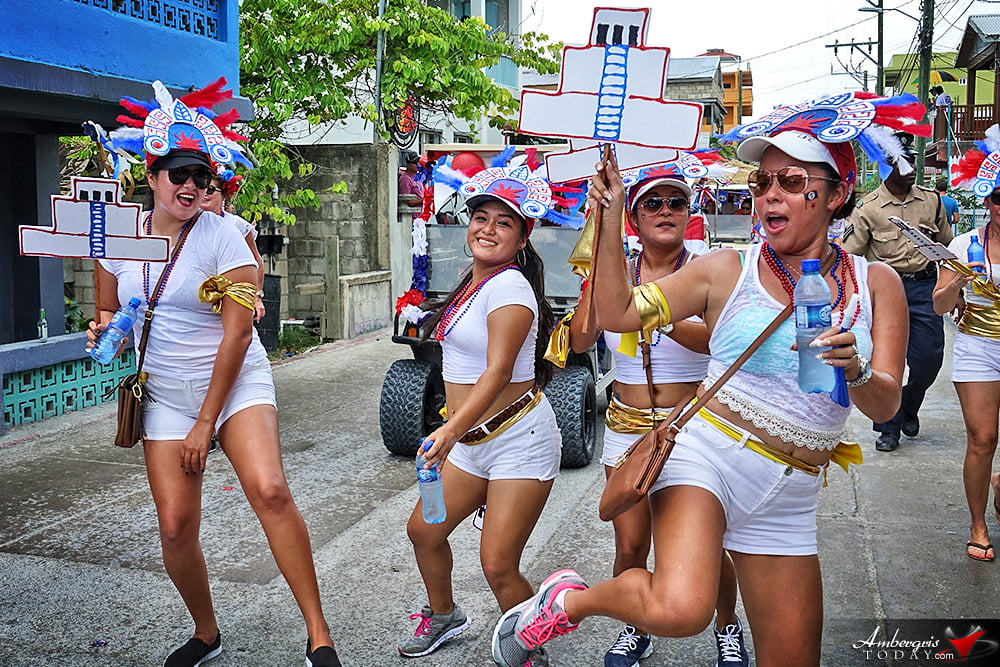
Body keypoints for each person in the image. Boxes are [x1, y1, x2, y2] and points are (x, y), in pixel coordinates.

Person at [491, 93, 911, 667]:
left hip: (790, 491)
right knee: (682, 608)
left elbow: (885, 406)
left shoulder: (877, 284)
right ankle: (570, 601)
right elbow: (617, 315)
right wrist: (612, 217)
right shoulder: (724, 269)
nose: (770, 196)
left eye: (791, 181)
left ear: (836, 194)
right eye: (762, 183)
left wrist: (856, 370)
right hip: (706, 455)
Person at [90, 80, 341, 667]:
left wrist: (207, 425)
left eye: (202, 177)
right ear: (150, 177)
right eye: (178, 174)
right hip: (164, 394)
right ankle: (206, 632)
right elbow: (108, 312)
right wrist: (102, 332)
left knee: (271, 491)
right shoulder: (115, 237)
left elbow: (237, 333)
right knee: (176, 525)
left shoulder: (225, 236)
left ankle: (319, 635)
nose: (191, 186)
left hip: (234, 386)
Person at [564, 161, 748, 667]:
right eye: (652, 203)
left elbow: (718, 341)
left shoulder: (708, 270)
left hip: (690, 426)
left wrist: (648, 311)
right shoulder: (613, 270)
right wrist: (598, 286)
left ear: (689, 213)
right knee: (629, 544)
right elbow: (582, 340)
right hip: (625, 426)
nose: (665, 211)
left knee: (712, 546)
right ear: (634, 216)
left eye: (676, 203)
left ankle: (728, 626)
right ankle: (635, 627)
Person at [398, 161, 561, 666]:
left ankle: (533, 649)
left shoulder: (510, 286)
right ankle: (445, 616)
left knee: (498, 564)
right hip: (472, 441)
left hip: (518, 438)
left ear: (522, 237)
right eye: (480, 217)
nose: (487, 228)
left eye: (504, 222)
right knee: (424, 531)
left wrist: (447, 428)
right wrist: (455, 432)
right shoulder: (473, 280)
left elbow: (498, 371)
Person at [843, 133, 954, 452]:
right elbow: (852, 256)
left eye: (912, 160)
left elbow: (946, 246)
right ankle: (889, 428)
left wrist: (951, 288)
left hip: (924, 287)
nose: (909, 168)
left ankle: (908, 405)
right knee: (886, 362)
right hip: (888, 290)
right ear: (884, 166)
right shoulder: (868, 208)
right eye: (899, 161)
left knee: (928, 361)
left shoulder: (932, 202)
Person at [935, 130, 1000, 562]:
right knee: (983, 437)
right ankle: (978, 523)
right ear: (988, 200)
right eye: (998, 197)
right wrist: (959, 279)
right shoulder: (965, 245)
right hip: (978, 345)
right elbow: (940, 304)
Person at [201, 166, 266, 322]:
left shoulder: (237, 225)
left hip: (232, 299)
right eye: (201, 187)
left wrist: (256, 296)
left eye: (210, 189)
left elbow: (256, 260)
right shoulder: (188, 223)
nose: (203, 194)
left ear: (224, 194)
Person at [399, 150, 425, 217]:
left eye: (418, 162)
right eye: (414, 162)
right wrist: (422, 201)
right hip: (412, 218)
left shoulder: (418, 178)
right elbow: (406, 202)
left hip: (421, 217)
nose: (417, 164)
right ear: (407, 164)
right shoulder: (405, 179)